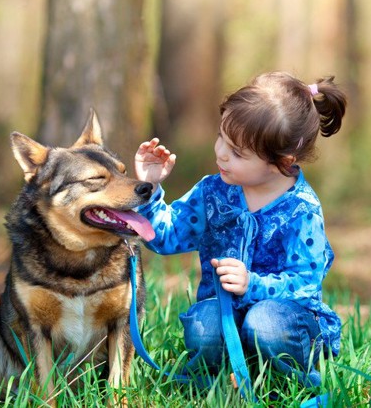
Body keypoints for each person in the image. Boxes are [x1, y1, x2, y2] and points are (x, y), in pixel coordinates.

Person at [134, 71, 346, 388]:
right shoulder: (212, 193)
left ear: (282, 162)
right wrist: (149, 187)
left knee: (265, 324)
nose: (221, 153)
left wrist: (252, 284)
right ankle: (222, 379)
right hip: (224, 312)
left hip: (284, 321)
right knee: (203, 326)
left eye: (237, 152)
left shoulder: (302, 209)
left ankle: (288, 380)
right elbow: (165, 237)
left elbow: (304, 284)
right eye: (222, 137)